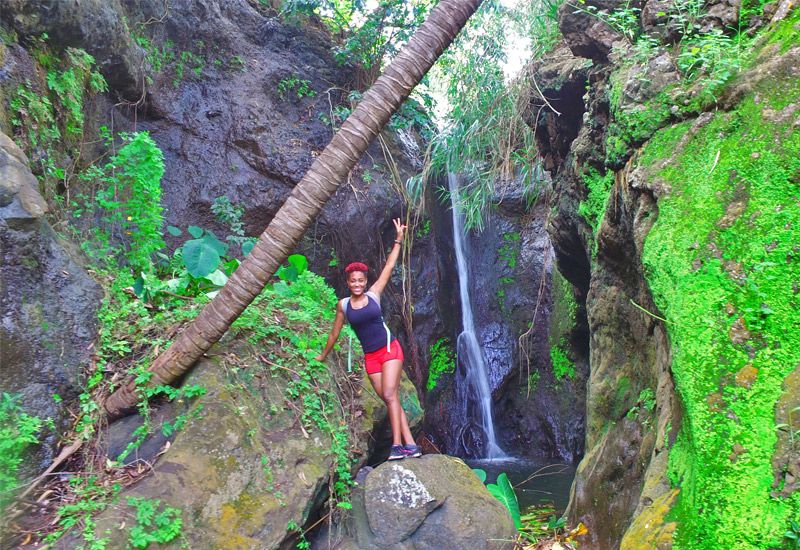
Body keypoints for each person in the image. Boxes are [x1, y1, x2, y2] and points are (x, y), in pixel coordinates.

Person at [315, 218, 421, 461]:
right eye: (353, 281)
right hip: (371, 358)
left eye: (361, 280)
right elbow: (335, 333)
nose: (358, 284)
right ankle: (411, 445)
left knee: (391, 395)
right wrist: (323, 355)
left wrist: (398, 240)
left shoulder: (374, 296)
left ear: (365, 281)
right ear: (348, 283)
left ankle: (397, 446)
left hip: (389, 350)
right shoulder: (342, 306)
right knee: (389, 398)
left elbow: (389, 268)